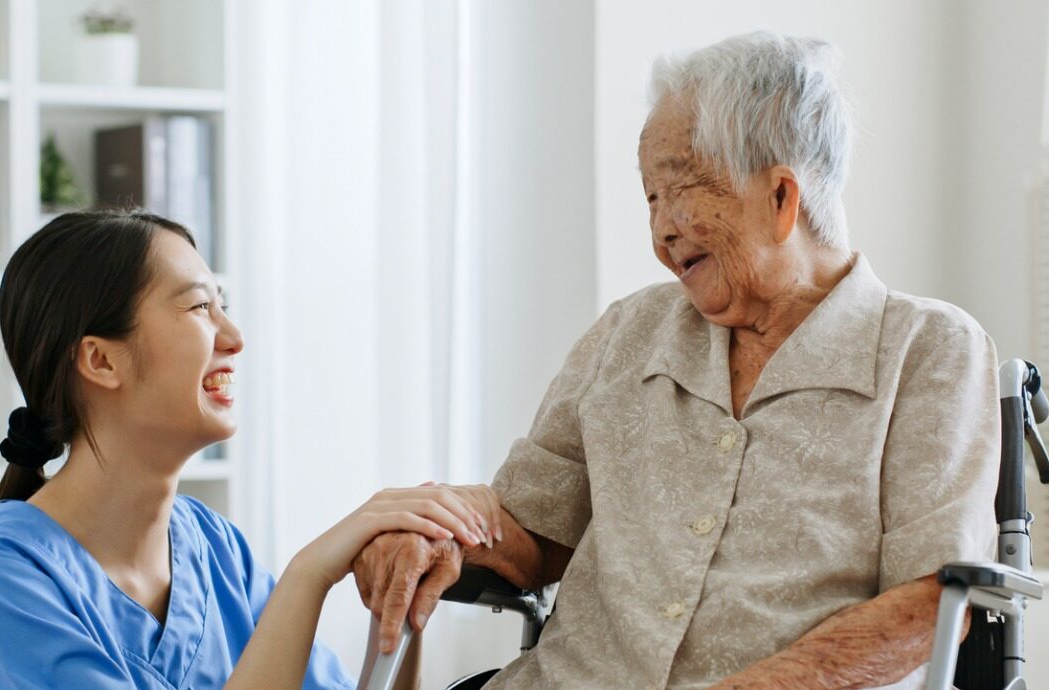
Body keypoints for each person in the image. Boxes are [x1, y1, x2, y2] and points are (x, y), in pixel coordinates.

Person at [352, 32, 1000, 689]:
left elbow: (930, 601)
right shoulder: (627, 334)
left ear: (782, 198)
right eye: (649, 199)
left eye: (680, 189)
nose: (661, 231)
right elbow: (532, 528)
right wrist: (440, 533)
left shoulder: (929, 351)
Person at [0, 211, 494, 689]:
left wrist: (402, 596)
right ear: (100, 360)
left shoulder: (213, 548)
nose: (234, 336)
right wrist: (310, 573)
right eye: (200, 308)